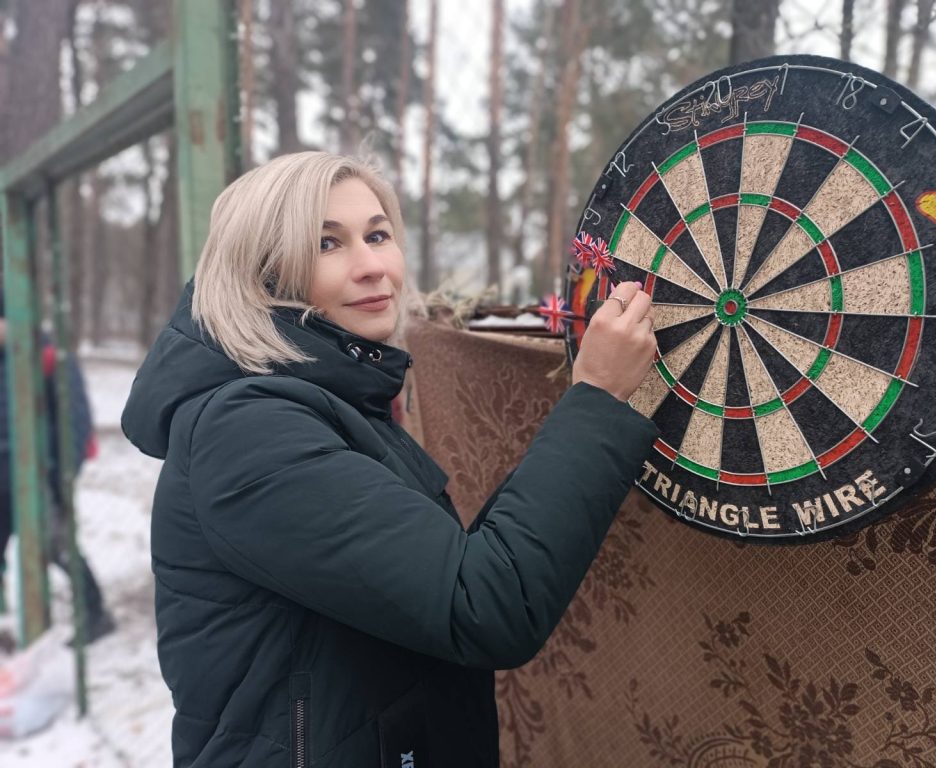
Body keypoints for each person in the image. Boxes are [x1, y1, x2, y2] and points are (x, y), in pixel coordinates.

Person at [121, 152, 658, 767]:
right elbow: (483, 602)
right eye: (328, 244)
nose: (372, 265)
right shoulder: (248, 430)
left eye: (378, 235)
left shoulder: (328, 399)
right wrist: (596, 397)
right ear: (262, 272)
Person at [0, 304, 114, 643]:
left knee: (56, 547)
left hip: (38, 476)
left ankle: (95, 614)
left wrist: (63, 473)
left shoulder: (48, 357)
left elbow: (74, 421)